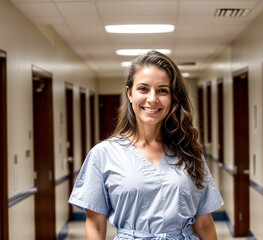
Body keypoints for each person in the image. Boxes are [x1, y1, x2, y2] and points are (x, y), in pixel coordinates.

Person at [69, 50, 224, 239]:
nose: (152, 99)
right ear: (130, 93)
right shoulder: (103, 154)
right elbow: (96, 227)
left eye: (162, 90)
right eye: (143, 89)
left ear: (172, 98)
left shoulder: (188, 152)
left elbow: (204, 224)